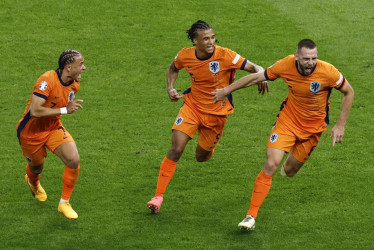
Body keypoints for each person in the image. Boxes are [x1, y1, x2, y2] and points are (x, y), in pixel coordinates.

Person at [213, 39, 354, 230]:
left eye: (313, 58)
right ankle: (250, 216)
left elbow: (349, 92)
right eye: (306, 59)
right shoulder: (286, 65)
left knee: (289, 171)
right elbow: (257, 77)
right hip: (287, 122)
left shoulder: (328, 71)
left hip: (313, 129)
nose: (310, 63)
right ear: (297, 57)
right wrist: (226, 90)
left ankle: (288, 164)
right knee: (271, 163)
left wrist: (340, 125)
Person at [146, 20, 268, 214]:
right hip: (192, 107)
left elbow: (255, 67)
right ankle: (158, 197)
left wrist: (261, 74)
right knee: (176, 148)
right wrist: (170, 88)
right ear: (195, 41)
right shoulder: (185, 55)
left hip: (217, 114)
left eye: (212, 37)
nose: (211, 41)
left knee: (201, 157)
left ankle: (209, 149)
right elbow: (173, 68)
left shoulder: (226, 55)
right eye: (206, 39)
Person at [16, 49, 86, 220]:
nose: (84, 68)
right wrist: (65, 109)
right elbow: (35, 111)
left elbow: (61, 101)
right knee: (37, 167)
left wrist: (64, 108)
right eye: (81, 64)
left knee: (73, 159)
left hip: (53, 127)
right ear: (68, 67)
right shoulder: (47, 80)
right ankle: (33, 181)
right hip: (31, 133)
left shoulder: (74, 84)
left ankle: (64, 203)